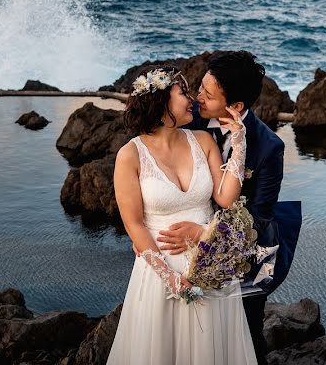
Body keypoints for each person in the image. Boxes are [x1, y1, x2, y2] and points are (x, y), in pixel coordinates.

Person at [106, 66, 257, 365]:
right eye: (183, 92)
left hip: (210, 263)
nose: (192, 99)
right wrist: (170, 279)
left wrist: (238, 141)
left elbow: (226, 199)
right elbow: (133, 224)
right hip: (161, 275)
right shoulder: (130, 156)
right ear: (161, 102)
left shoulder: (202, 140)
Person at [158, 51, 288, 364]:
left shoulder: (269, 148)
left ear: (236, 106)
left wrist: (204, 233)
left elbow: (257, 218)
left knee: (245, 333)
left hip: (241, 254)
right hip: (181, 252)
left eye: (208, 94)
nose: (197, 96)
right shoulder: (191, 120)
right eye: (199, 87)